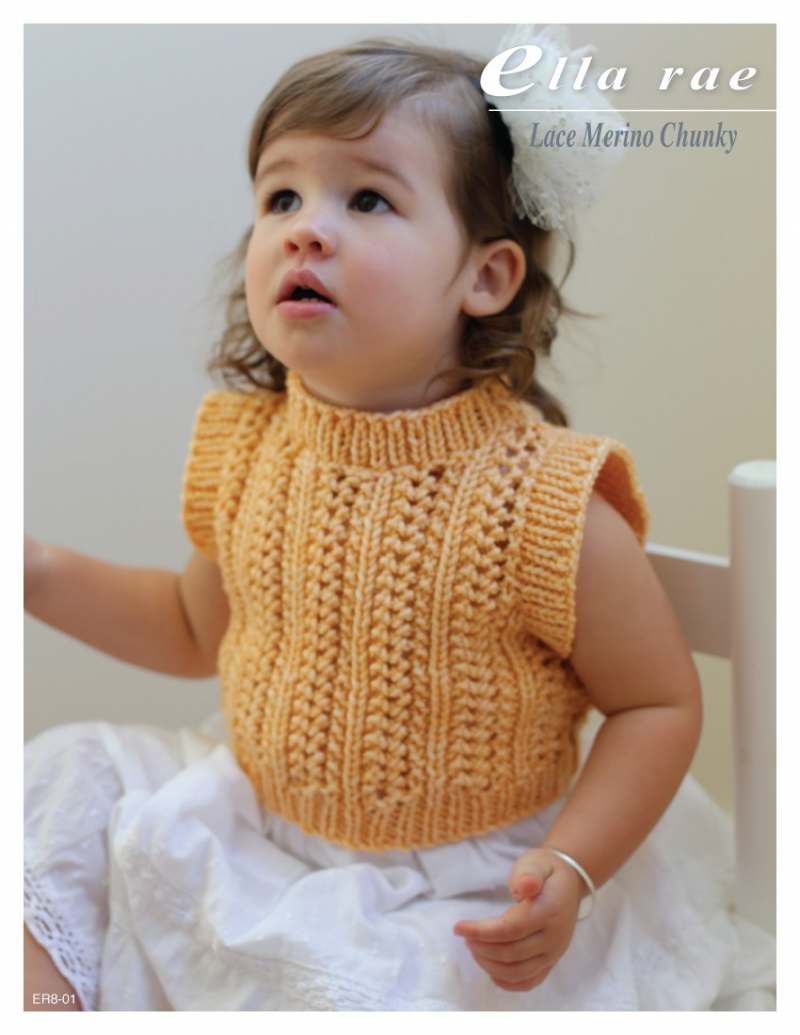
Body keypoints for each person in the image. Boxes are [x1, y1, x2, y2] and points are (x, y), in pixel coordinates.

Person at [23, 27, 776, 1011]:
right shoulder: (249, 445)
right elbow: (191, 626)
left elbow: (655, 704)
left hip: (460, 886)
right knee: (59, 787)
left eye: (367, 198)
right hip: (260, 835)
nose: (305, 229)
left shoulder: (541, 499)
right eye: (281, 197)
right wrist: (35, 571)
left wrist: (571, 864)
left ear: (485, 278)